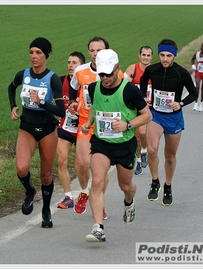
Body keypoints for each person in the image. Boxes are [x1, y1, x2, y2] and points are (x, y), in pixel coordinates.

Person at [82, 49, 152, 242]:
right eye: (101, 74)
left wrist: (127, 125)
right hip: (101, 143)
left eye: (108, 74)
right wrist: (89, 122)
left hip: (125, 145)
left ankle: (129, 202)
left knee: (125, 185)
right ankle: (98, 228)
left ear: (118, 69)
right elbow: (96, 107)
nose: (104, 78)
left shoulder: (130, 90)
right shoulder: (93, 88)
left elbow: (147, 115)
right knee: (97, 180)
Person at [7, 37, 65, 228]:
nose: (34, 56)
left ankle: (46, 210)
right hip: (27, 127)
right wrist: (14, 106)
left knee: (46, 175)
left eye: (38, 53)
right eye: (31, 52)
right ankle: (30, 191)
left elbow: (61, 110)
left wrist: (42, 103)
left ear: (46, 55)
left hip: (48, 129)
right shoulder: (23, 74)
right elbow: (11, 87)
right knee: (22, 168)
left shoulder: (53, 78)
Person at [69, 36, 123, 219]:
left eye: (99, 51)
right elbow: (72, 87)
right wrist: (73, 102)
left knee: (100, 170)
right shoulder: (80, 71)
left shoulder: (117, 73)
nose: (94, 54)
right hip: (86, 123)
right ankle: (85, 192)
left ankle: (98, 199)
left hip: (105, 125)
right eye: (92, 50)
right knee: (83, 164)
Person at [140, 39, 198, 206]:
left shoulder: (181, 73)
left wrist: (180, 103)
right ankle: (155, 181)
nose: (165, 59)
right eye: (162, 55)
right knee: (151, 150)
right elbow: (143, 80)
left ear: (175, 56)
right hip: (156, 115)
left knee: (169, 157)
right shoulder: (152, 70)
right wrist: (145, 96)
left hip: (174, 117)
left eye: (169, 56)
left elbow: (193, 93)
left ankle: (168, 185)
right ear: (159, 55)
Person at [56, 51, 86, 209]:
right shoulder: (61, 81)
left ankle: (84, 192)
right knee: (61, 160)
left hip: (84, 128)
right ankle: (68, 197)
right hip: (66, 126)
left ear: (82, 66)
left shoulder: (88, 83)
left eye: (74, 63)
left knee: (79, 166)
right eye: (69, 62)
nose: (70, 65)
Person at [124, 46, 153, 175]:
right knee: (136, 137)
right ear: (139, 55)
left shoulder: (155, 70)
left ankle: (144, 151)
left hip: (147, 108)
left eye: (148, 55)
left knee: (142, 133)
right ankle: (139, 160)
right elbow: (123, 85)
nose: (146, 57)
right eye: (144, 55)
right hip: (134, 108)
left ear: (151, 57)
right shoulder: (132, 69)